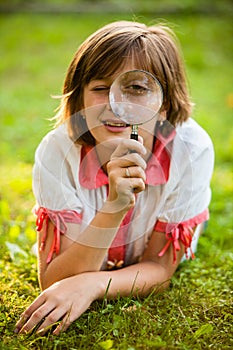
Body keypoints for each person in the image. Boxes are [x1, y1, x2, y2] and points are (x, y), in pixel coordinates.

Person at [15, 20, 214, 335]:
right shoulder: (56, 152)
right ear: (79, 98)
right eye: (100, 88)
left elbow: (159, 269)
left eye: (136, 88)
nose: (115, 104)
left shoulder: (192, 150)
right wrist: (115, 205)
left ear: (165, 101)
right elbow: (54, 280)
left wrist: (92, 285)